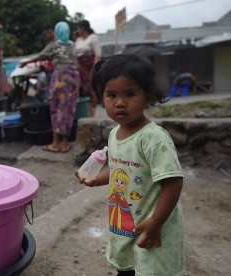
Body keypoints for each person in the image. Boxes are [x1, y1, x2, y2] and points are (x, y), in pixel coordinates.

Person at [76, 54, 184, 275]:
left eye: (130, 93)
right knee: (127, 267)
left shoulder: (153, 138)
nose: (120, 102)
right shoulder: (115, 134)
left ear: (148, 95)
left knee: (151, 269)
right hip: (126, 224)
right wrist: (97, 179)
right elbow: (119, 169)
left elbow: (173, 182)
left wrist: (157, 221)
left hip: (154, 226)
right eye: (111, 95)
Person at [19, 21, 80, 153]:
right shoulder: (73, 46)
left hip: (60, 80)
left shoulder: (53, 45)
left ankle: (55, 144)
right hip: (74, 80)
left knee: (56, 110)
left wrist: (26, 63)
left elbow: (40, 57)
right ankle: (65, 145)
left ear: (57, 32)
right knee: (69, 110)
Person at [75, 19, 102, 117]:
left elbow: (98, 55)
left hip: (89, 69)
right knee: (80, 92)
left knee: (91, 92)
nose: (77, 30)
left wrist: (93, 70)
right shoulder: (79, 40)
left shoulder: (93, 38)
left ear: (83, 28)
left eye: (78, 28)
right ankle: (82, 115)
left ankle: (91, 117)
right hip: (78, 70)